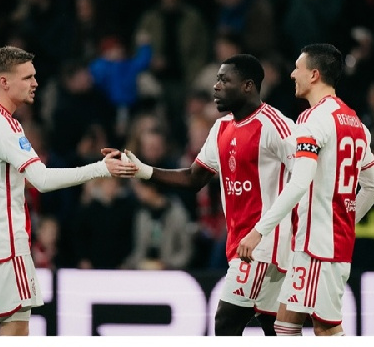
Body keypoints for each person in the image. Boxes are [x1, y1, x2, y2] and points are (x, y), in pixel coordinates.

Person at [0, 46, 138, 336]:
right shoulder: (4, 125)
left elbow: (0, 175)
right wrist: (101, 169)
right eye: (27, 77)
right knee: (15, 331)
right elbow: (40, 180)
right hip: (4, 241)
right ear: (4, 82)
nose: (35, 83)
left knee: (12, 329)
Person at [120, 54, 296, 336]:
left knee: (226, 322)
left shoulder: (276, 125)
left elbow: (306, 175)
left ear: (248, 86)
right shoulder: (222, 128)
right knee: (272, 328)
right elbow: (194, 178)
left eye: (225, 80)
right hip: (242, 243)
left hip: (266, 246)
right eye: (217, 79)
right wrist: (143, 170)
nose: (216, 86)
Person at [237, 44, 374, 336]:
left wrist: (258, 231)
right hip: (321, 245)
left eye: (298, 68)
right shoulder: (356, 123)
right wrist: (345, 222)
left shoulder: (313, 121)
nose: (292, 74)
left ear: (314, 75)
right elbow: (373, 187)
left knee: (326, 329)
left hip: (318, 248)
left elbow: (299, 183)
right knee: (285, 325)